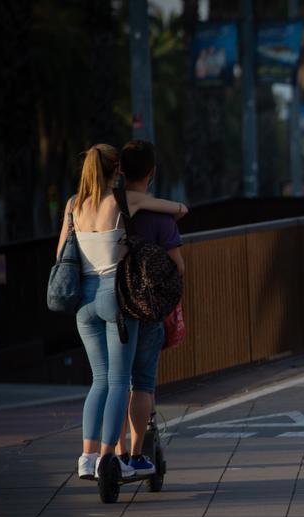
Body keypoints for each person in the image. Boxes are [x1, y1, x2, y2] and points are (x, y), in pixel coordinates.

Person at [56, 144, 187, 482]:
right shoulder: (122, 202)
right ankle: (109, 459)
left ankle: (85, 456)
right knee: (118, 381)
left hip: (82, 301)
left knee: (98, 381)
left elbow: (61, 253)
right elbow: (178, 209)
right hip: (114, 298)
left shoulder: (73, 205)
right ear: (117, 171)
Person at [119, 140, 186, 476]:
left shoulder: (108, 209)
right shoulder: (161, 219)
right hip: (147, 310)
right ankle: (136, 454)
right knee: (142, 382)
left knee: (115, 382)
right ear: (152, 173)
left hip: (113, 308)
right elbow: (178, 267)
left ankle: (112, 454)